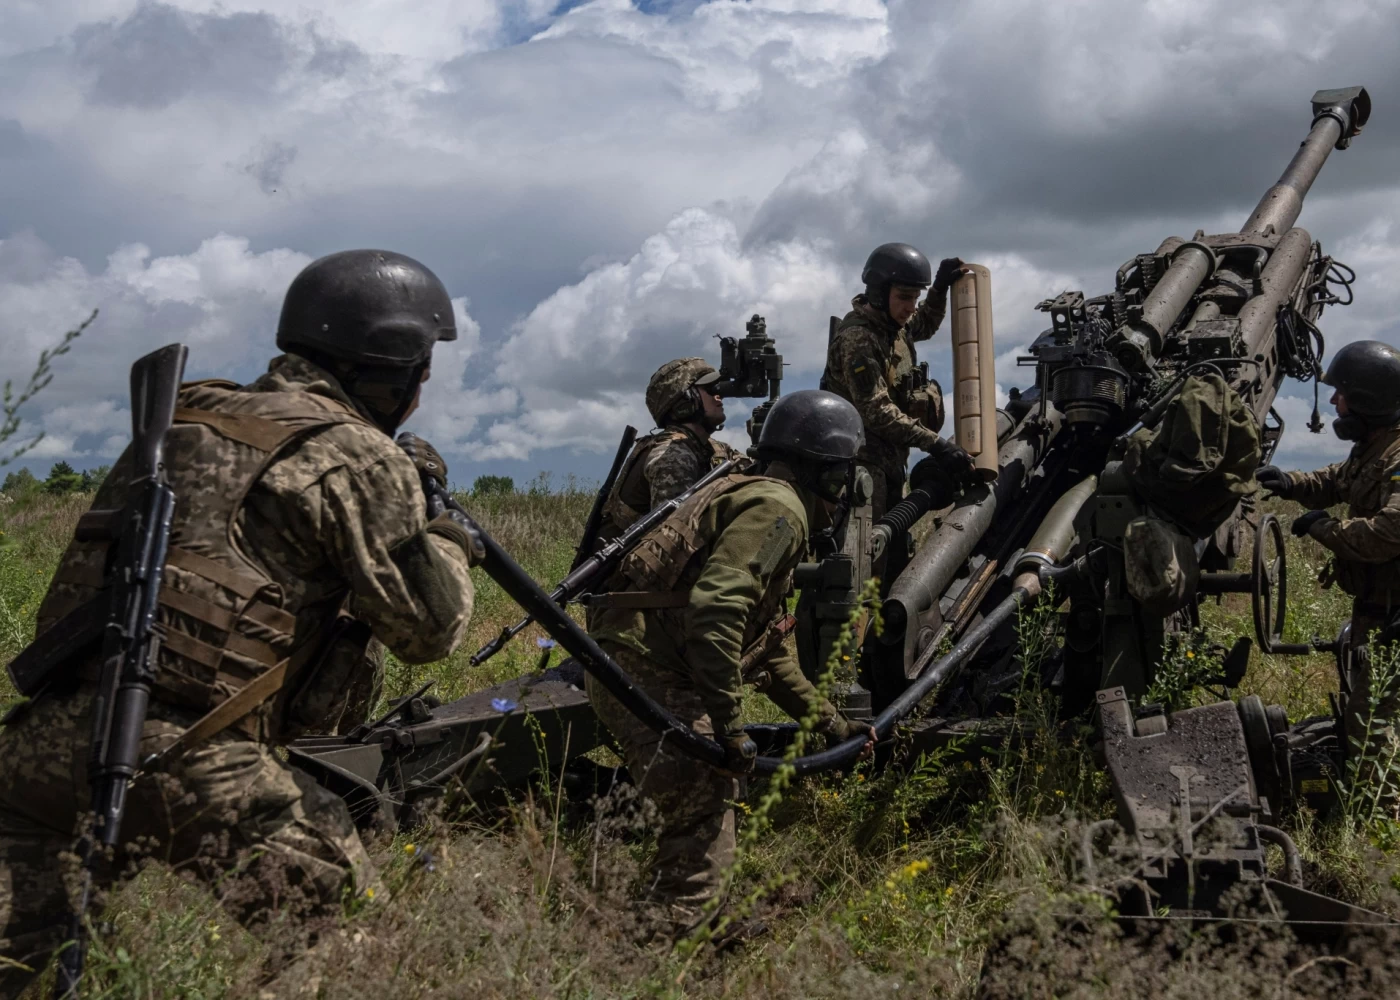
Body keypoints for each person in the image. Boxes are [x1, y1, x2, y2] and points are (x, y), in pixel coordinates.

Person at [0, 249, 481, 996]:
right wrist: (447, 539)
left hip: (40, 744)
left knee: (20, 969)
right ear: (394, 373)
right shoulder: (353, 454)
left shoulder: (182, 417)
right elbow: (429, 631)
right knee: (354, 954)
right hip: (195, 757)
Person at [586, 389, 877, 939]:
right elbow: (718, 610)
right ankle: (672, 939)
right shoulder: (780, 509)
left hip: (628, 660)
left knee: (704, 797)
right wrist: (728, 728)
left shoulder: (750, 491)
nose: (841, 496)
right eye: (841, 480)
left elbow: (768, 654)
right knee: (704, 790)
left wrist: (835, 728)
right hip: (652, 669)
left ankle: (700, 917)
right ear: (824, 472)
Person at [1257, 340, 1400, 752]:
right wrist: (1291, 483)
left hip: (1395, 616)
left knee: (1369, 730)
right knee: (1365, 716)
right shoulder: (1376, 447)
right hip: (1378, 611)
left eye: (1342, 393)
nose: (1334, 400)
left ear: (1368, 400)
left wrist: (1322, 526)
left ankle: (1374, 794)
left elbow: (1385, 536)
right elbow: (1338, 479)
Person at [821, 243, 977, 533]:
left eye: (915, 298)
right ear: (879, 294)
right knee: (867, 551)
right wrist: (936, 444)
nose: (911, 307)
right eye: (904, 297)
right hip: (862, 467)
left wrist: (940, 287)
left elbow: (925, 323)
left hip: (889, 463)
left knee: (891, 549)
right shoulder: (859, 339)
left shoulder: (894, 327)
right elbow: (876, 411)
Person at [596, 357, 745, 543]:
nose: (719, 395)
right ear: (685, 401)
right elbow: (672, 540)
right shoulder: (672, 456)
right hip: (639, 559)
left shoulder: (711, 449)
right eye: (710, 389)